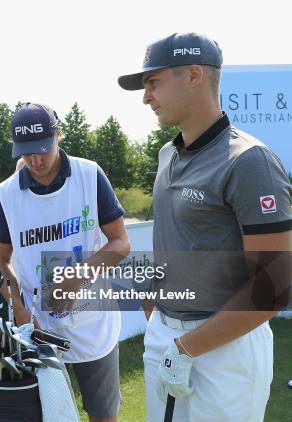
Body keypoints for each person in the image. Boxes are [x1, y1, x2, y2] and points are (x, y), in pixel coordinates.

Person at [118, 32, 292, 421]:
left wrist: (188, 345)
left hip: (225, 350)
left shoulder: (250, 161)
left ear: (194, 74)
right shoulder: (167, 155)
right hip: (166, 337)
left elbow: (275, 287)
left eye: (153, 82)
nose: (146, 96)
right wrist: (159, 314)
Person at [0, 103, 131, 422]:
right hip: (39, 326)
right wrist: (21, 309)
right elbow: (1, 261)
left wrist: (77, 277)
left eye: (42, 149)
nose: (35, 161)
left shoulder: (89, 174)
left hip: (94, 324)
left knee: (103, 414)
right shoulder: (7, 193)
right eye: (26, 152)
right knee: (47, 414)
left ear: (59, 135)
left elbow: (121, 242)